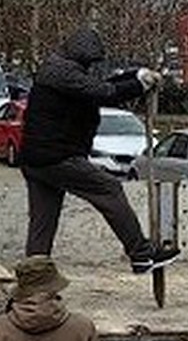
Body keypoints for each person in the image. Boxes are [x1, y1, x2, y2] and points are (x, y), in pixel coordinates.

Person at [18, 26, 175, 273]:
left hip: (36, 161)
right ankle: (141, 255)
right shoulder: (63, 74)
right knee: (109, 189)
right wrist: (138, 85)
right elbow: (104, 92)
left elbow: (98, 85)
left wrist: (137, 76)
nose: (92, 67)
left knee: (42, 225)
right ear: (80, 57)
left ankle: (34, 286)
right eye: (89, 62)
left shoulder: (58, 70)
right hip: (58, 157)